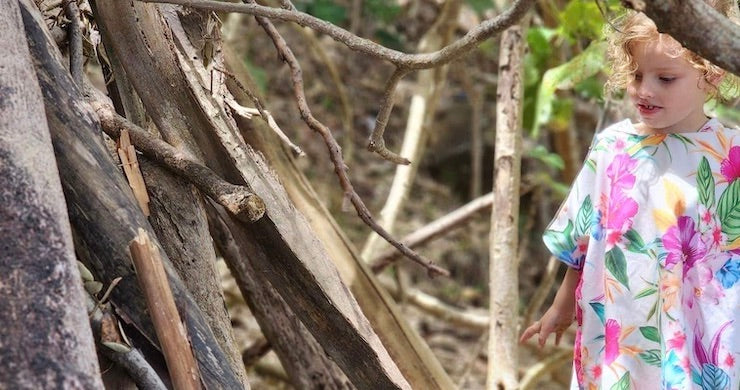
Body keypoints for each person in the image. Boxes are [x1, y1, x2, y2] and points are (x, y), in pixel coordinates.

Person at [520, 2, 740, 389]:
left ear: (711, 74)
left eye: (666, 78)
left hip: (700, 335)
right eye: (638, 75)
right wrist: (560, 306)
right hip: (621, 326)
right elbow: (584, 242)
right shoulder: (613, 147)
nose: (645, 90)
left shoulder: (731, 152)